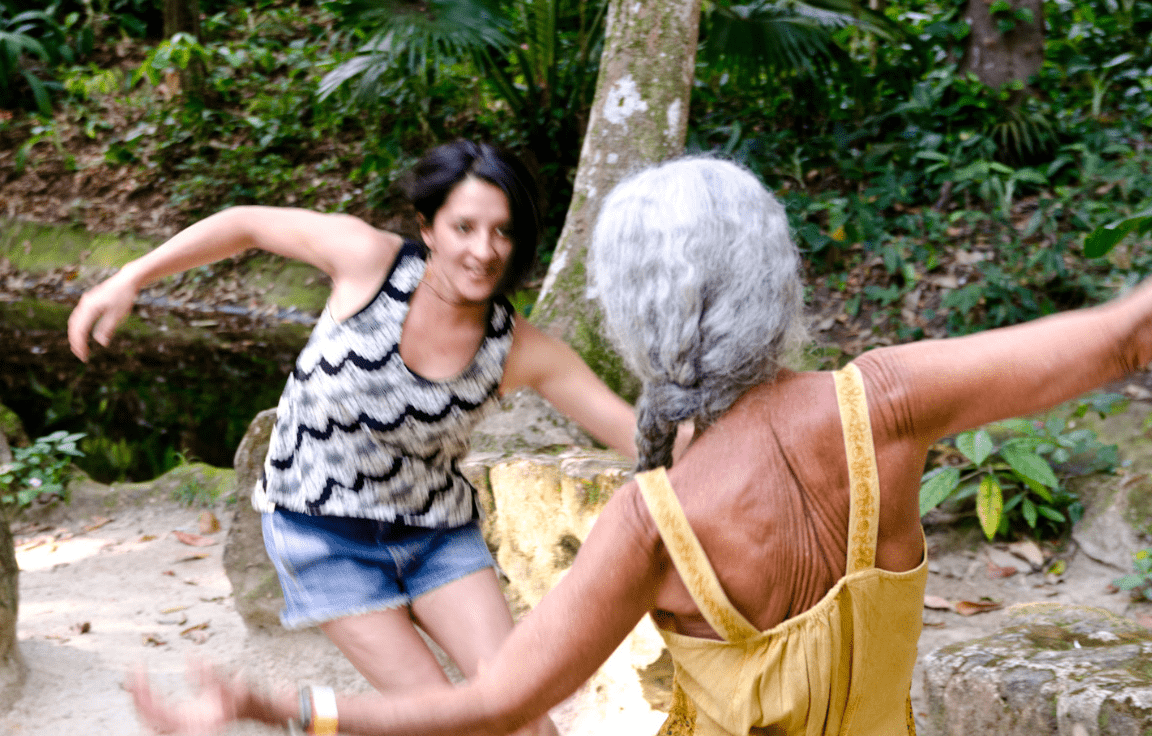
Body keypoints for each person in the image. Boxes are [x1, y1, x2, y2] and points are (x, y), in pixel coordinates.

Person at [127, 155, 1152, 736]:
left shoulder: (650, 523)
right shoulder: (883, 401)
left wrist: (277, 705)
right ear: (774, 270)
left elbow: (494, 704)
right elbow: (1119, 334)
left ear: (632, 313)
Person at [69, 140, 653, 736]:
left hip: (436, 535)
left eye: (502, 232)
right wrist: (132, 276)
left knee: (524, 721)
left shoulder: (522, 349)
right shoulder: (367, 261)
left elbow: (634, 434)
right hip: (320, 537)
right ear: (428, 227)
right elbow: (245, 225)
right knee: (451, 724)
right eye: (464, 227)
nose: (483, 250)